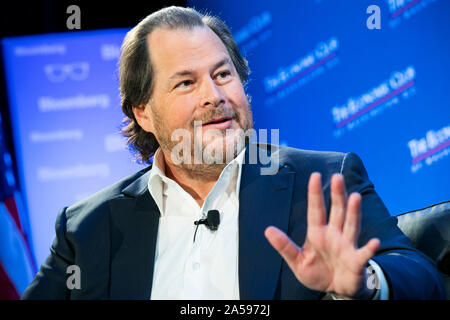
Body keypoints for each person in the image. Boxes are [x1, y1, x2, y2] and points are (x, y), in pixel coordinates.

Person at [22, 6, 445, 300]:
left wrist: (366, 283)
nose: (214, 95)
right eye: (185, 83)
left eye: (223, 74)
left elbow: (425, 277)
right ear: (143, 113)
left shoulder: (324, 180)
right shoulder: (86, 228)